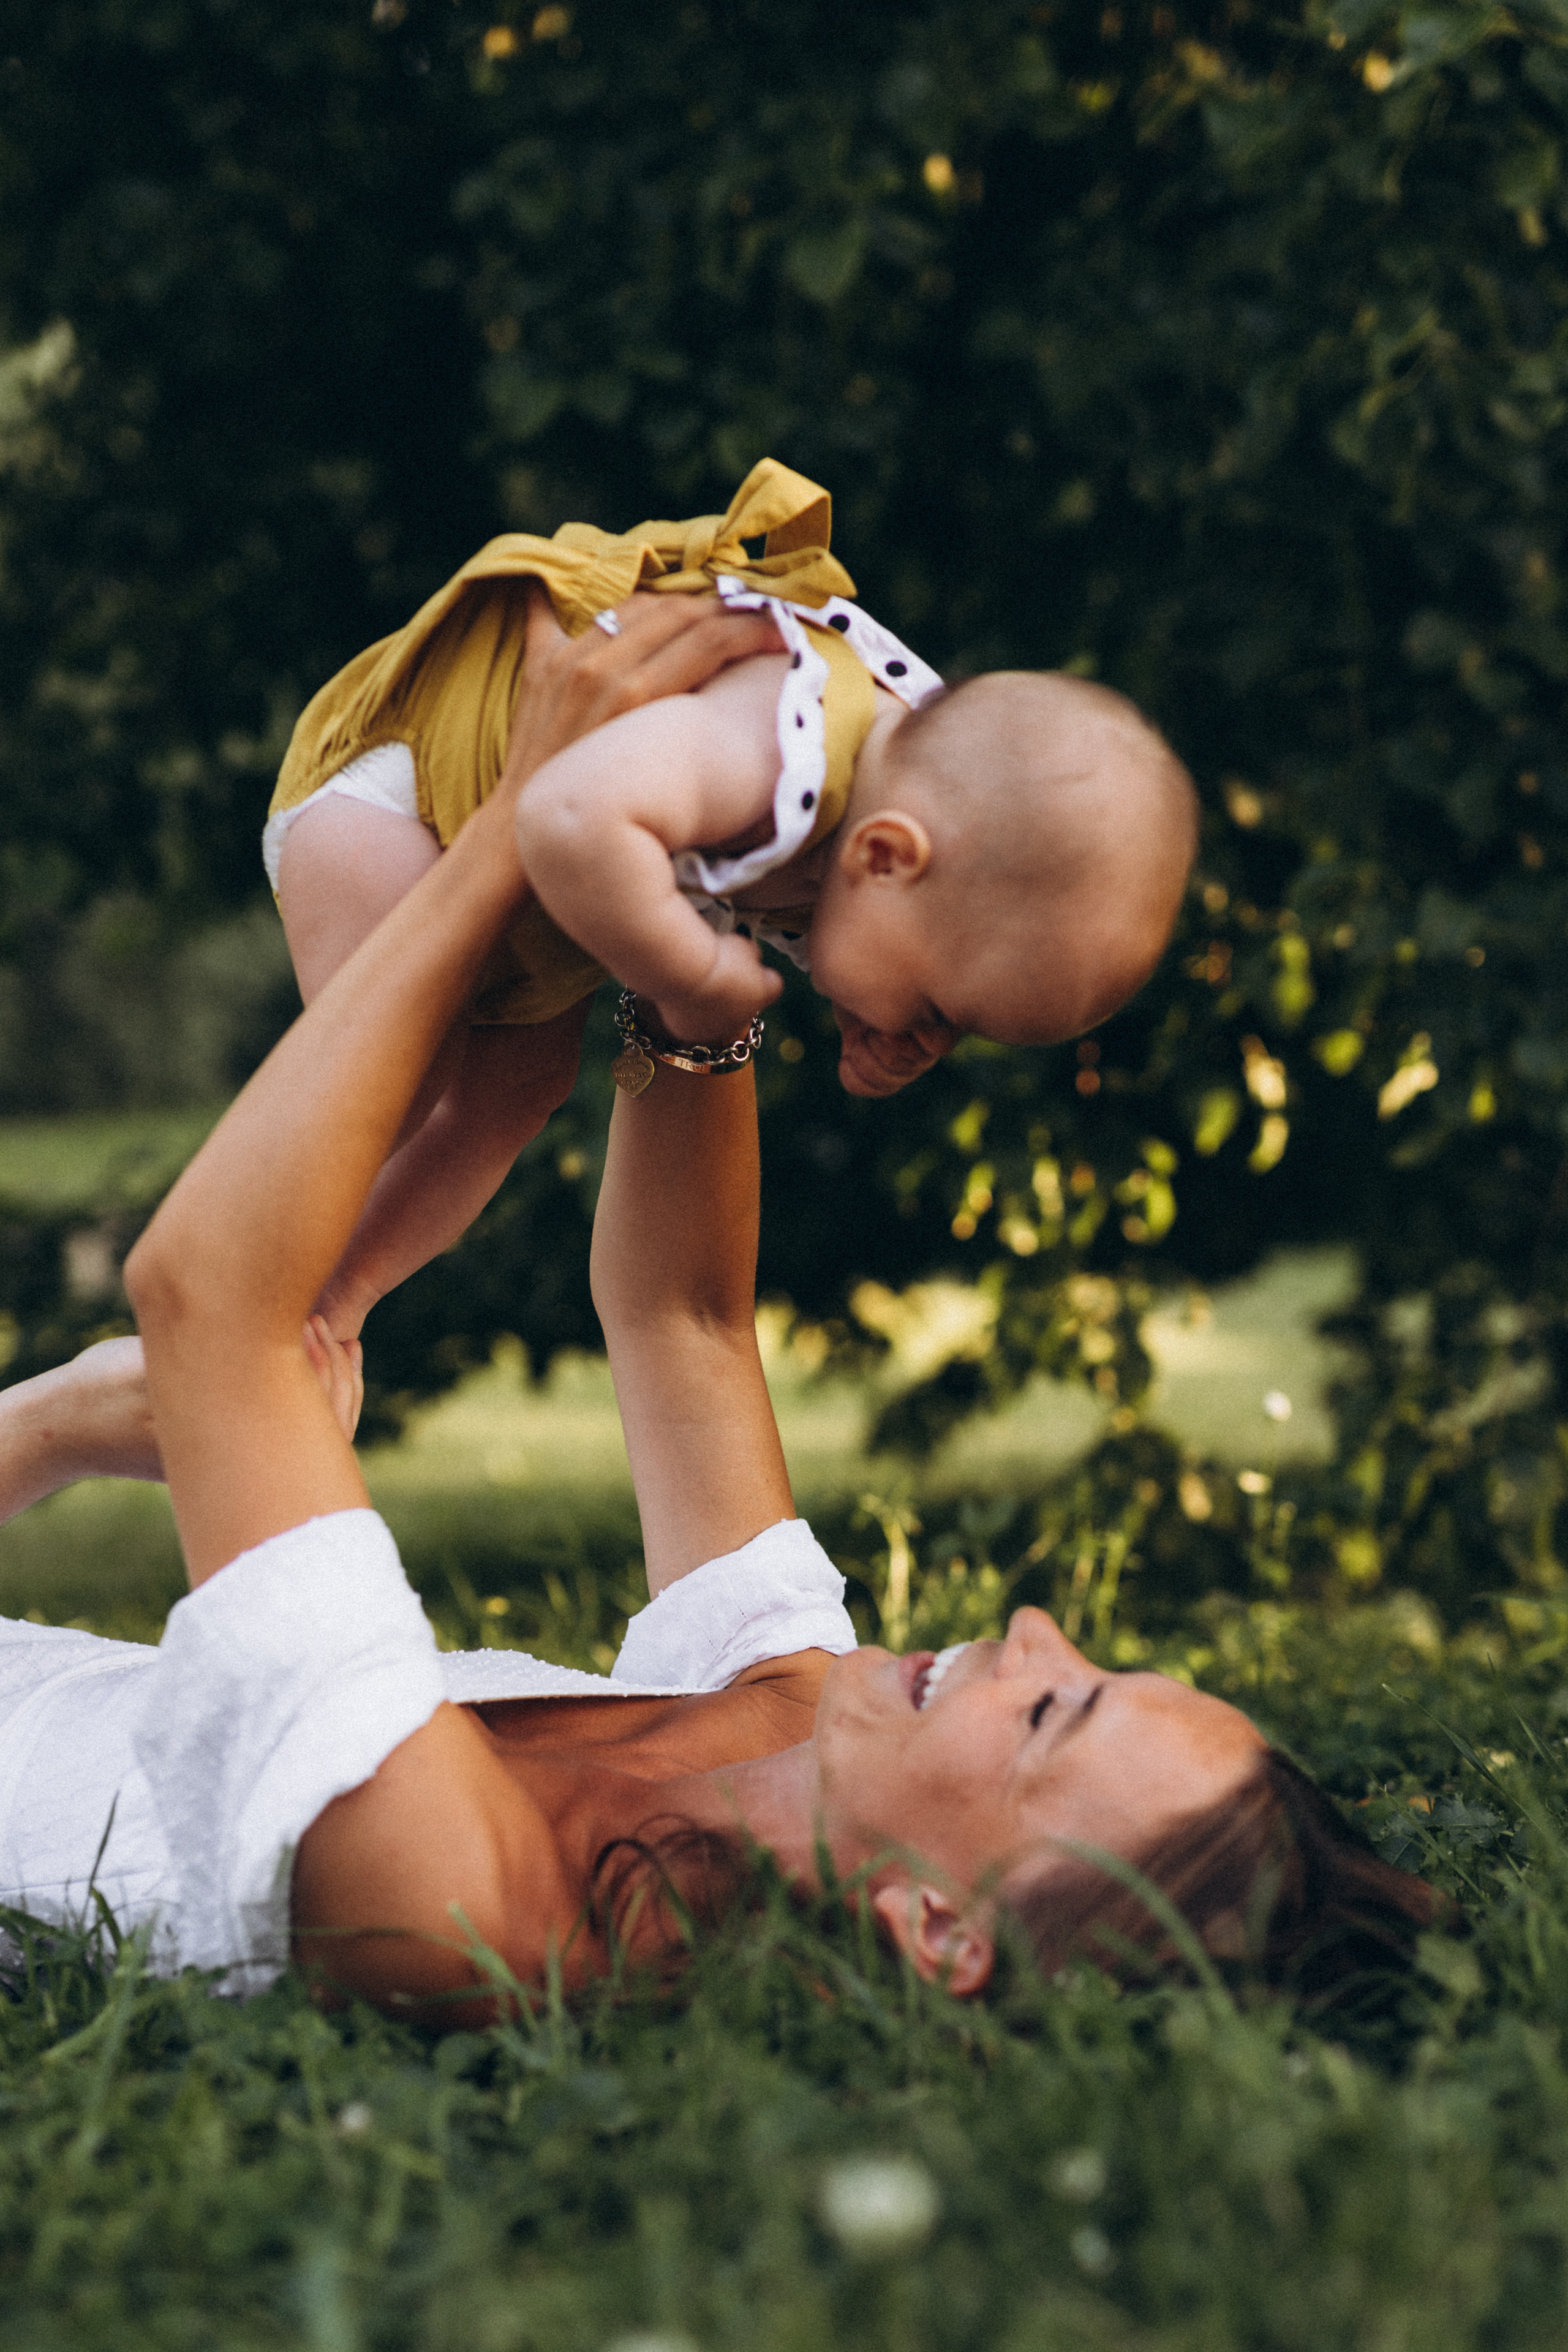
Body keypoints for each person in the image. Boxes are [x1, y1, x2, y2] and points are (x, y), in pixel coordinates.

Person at [0, 606, 1428, 2013]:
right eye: (1101, 1660)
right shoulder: (791, 1719)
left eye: (1051, 1712)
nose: (1043, 1626)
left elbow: (210, 1303)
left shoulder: (472, 1911)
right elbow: (683, 1318)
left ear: (938, 1931)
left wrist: (514, 827)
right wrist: (692, 984)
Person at [265, 458, 1198, 1344]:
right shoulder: (773, 741)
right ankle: (248, 1299)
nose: (928, 1041)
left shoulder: (892, 811)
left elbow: (809, 906)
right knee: (402, 1078)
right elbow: (569, 815)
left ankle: (337, 1303)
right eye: (938, 1010)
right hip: (395, 795)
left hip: (511, 893)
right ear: (886, 857)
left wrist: (861, 1004)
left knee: (517, 1093)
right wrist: (690, 972)